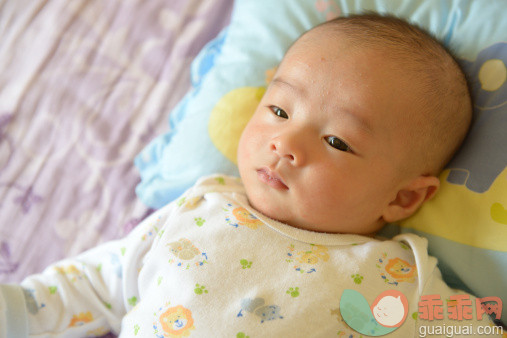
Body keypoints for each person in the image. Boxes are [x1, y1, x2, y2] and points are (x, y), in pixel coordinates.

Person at [1, 14, 503, 337]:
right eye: (280, 111)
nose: (286, 144)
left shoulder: (402, 281)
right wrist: (18, 309)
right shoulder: (199, 209)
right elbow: (100, 283)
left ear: (403, 199)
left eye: (336, 142)